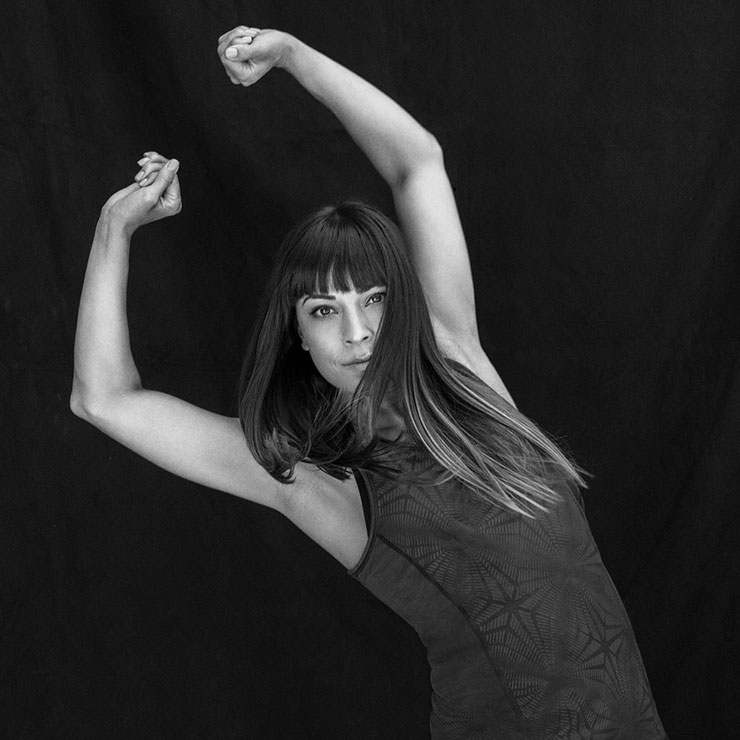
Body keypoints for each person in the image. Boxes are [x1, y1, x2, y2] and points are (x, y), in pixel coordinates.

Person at [71, 24, 668, 739]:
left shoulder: (465, 371)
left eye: (374, 298)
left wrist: (291, 55)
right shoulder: (314, 478)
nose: (356, 332)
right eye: (324, 309)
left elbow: (416, 162)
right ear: (297, 333)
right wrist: (116, 227)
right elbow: (103, 399)